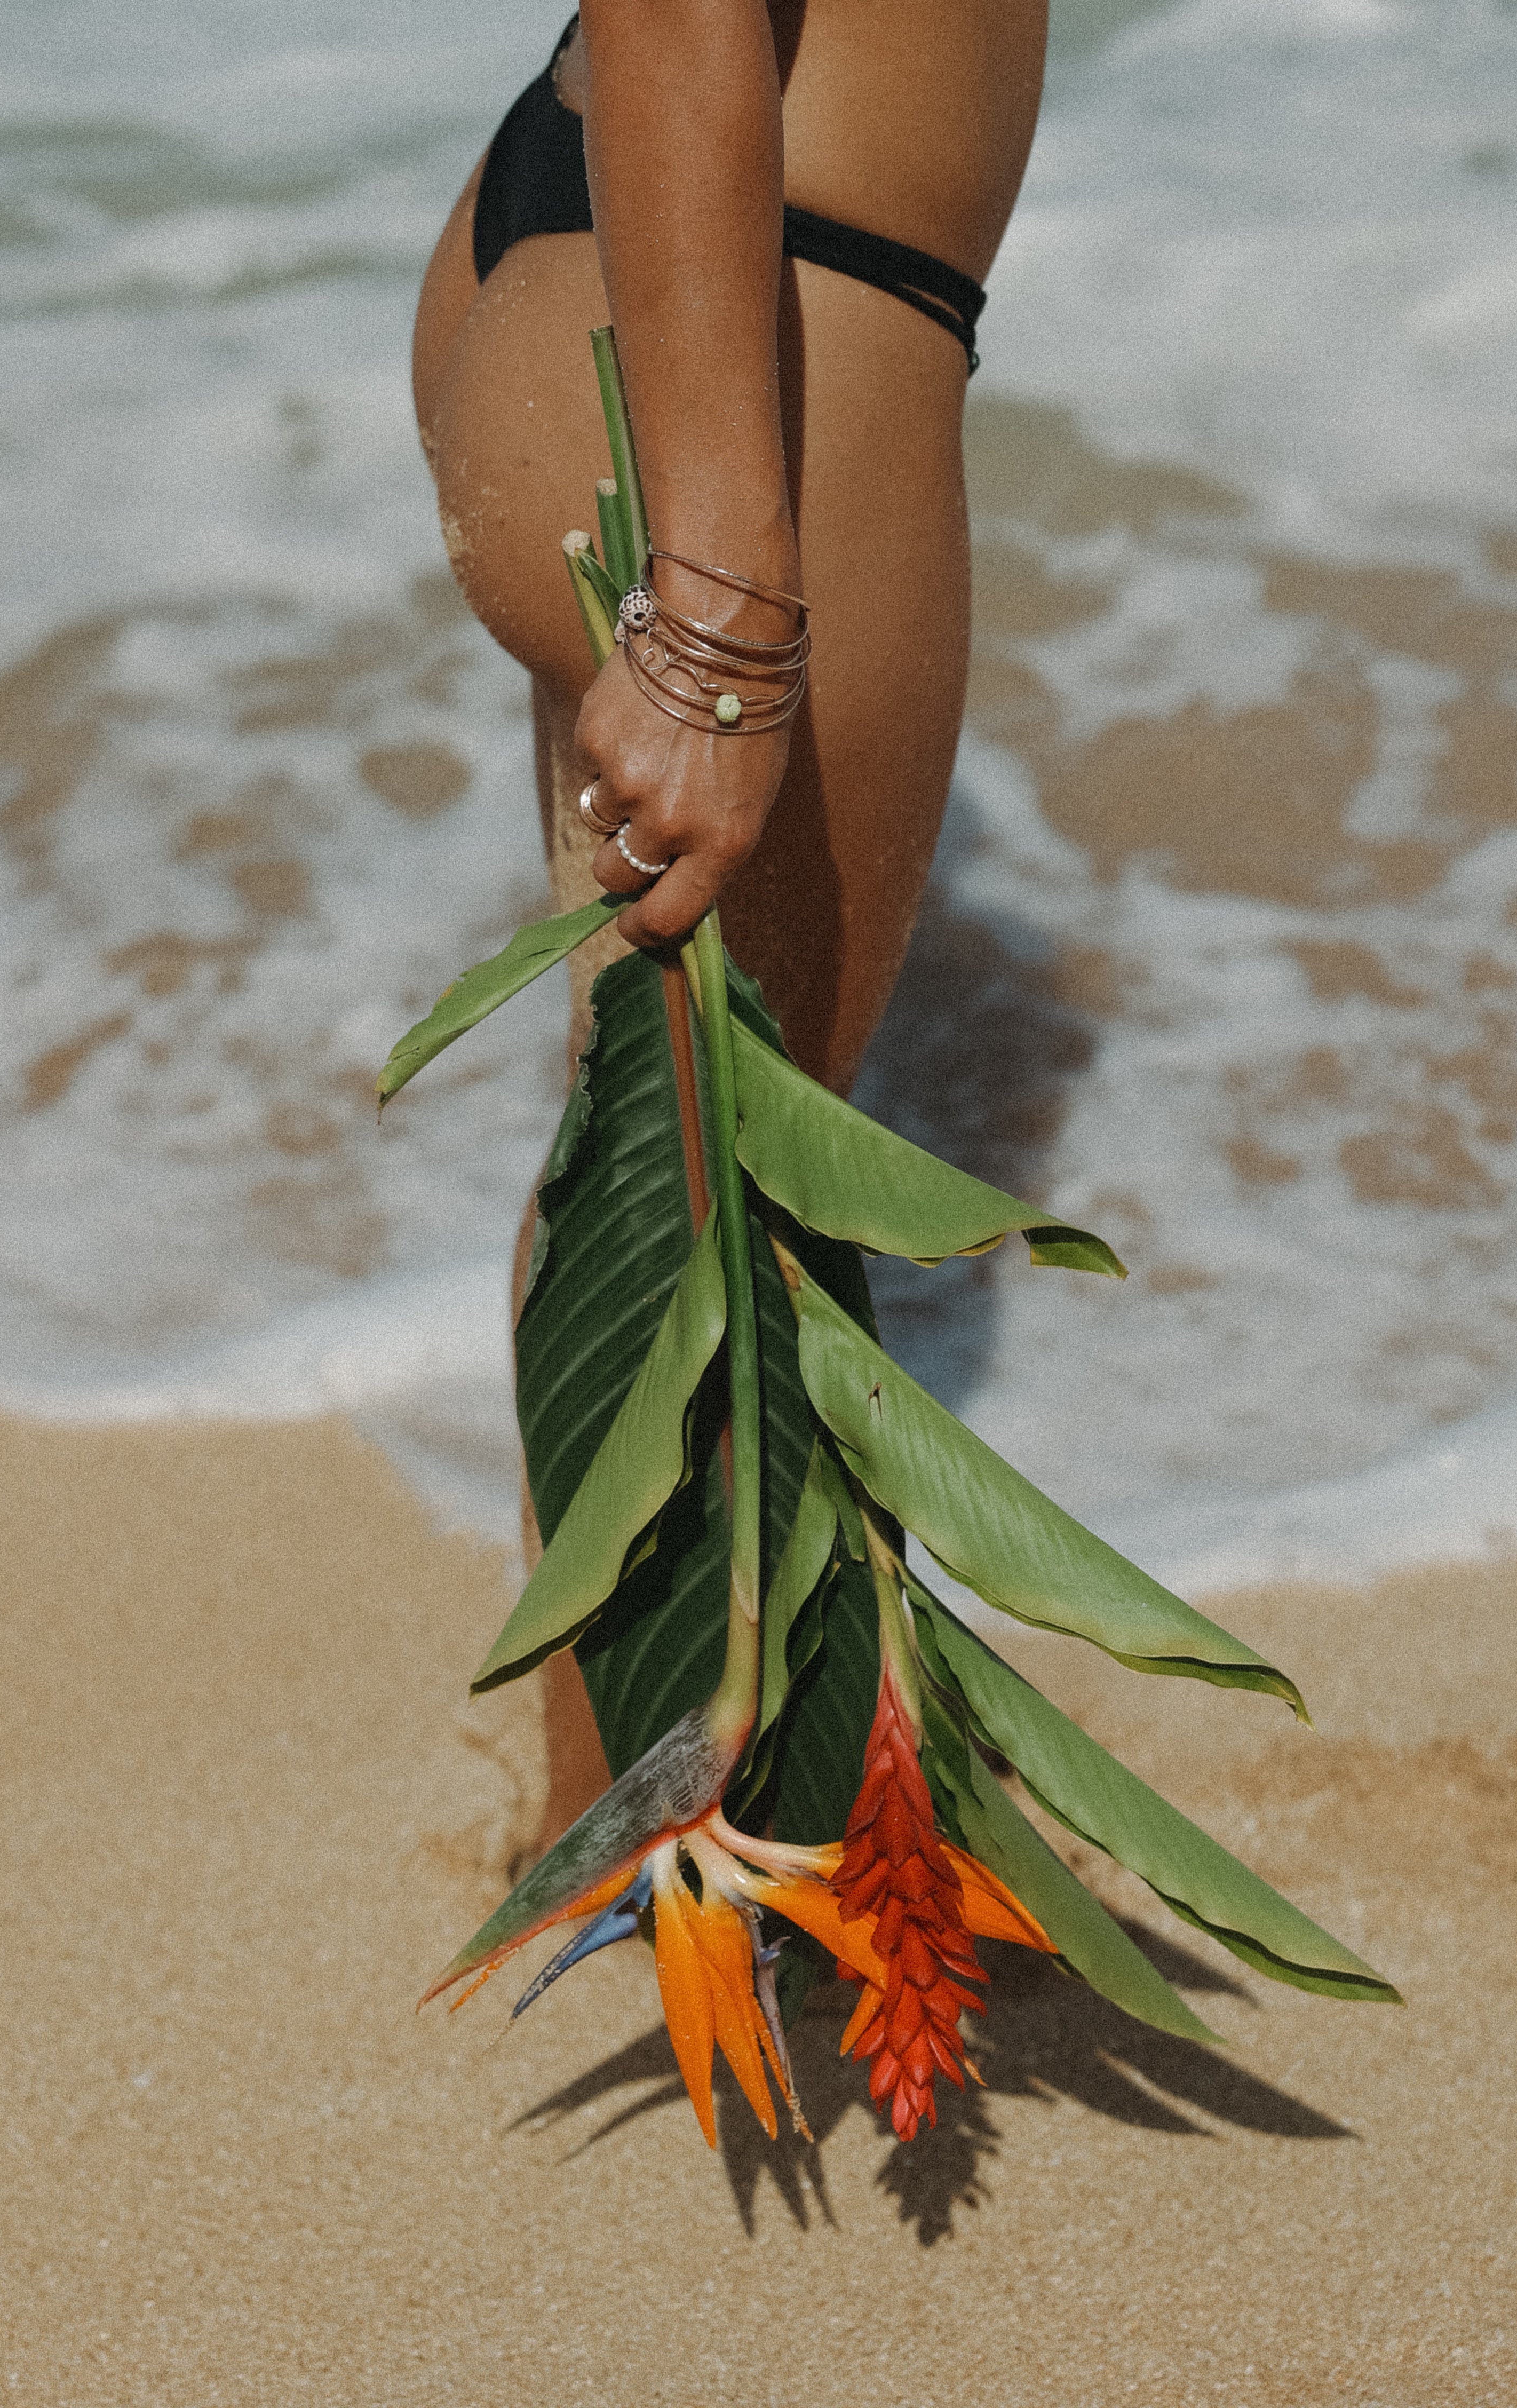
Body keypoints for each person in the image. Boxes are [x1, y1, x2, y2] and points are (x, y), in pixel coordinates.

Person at [411, 0, 1049, 1844]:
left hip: (680, 237)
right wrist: (723, 615)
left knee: (667, 1132)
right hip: (761, 297)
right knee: (705, 1183)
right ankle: (638, 1842)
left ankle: (640, 1806)